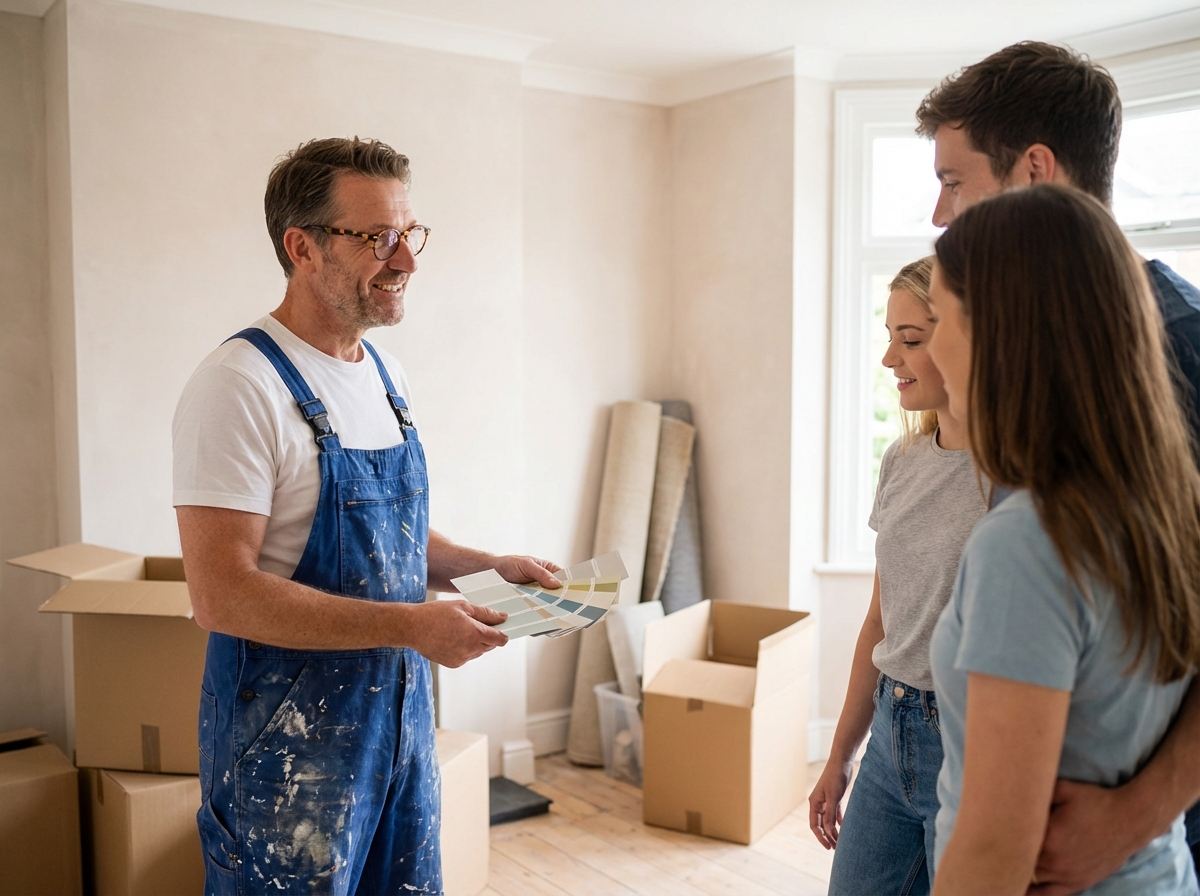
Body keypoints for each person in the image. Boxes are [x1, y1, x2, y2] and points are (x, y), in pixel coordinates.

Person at [172, 137, 562, 895]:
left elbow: (388, 545)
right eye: (378, 237)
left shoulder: (384, 374)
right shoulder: (239, 385)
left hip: (399, 730)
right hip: (285, 756)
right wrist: (413, 625)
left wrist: (484, 569)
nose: (407, 260)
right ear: (303, 247)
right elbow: (220, 594)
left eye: (409, 234)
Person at [916, 42, 1200, 893]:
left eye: (956, 181)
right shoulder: (1086, 459)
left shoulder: (1187, 350)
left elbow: (997, 856)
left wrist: (1136, 814)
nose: (940, 213)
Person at [809, 257, 987, 894]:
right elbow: (882, 622)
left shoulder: (1016, 481)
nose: (890, 359)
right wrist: (841, 755)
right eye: (890, 337)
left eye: (910, 340)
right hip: (890, 733)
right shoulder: (901, 460)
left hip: (970, 746)